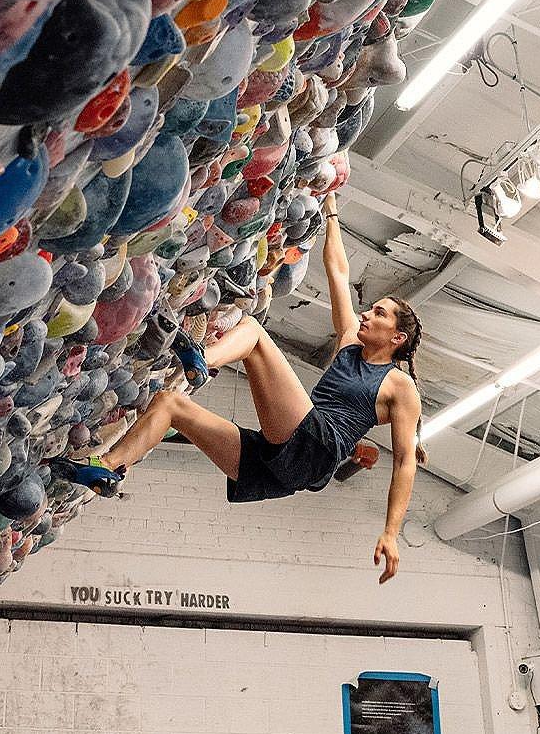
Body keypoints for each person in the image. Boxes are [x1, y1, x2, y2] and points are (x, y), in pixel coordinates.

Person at [49, 194, 426, 583]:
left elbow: (404, 462)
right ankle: (108, 468)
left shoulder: (400, 387)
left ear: (397, 337)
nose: (365, 313)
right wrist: (331, 208)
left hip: (317, 447)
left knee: (254, 333)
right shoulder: (349, 340)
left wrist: (390, 533)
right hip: (284, 461)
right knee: (169, 404)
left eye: (378, 313)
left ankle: (202, 361)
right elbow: (338, 270)